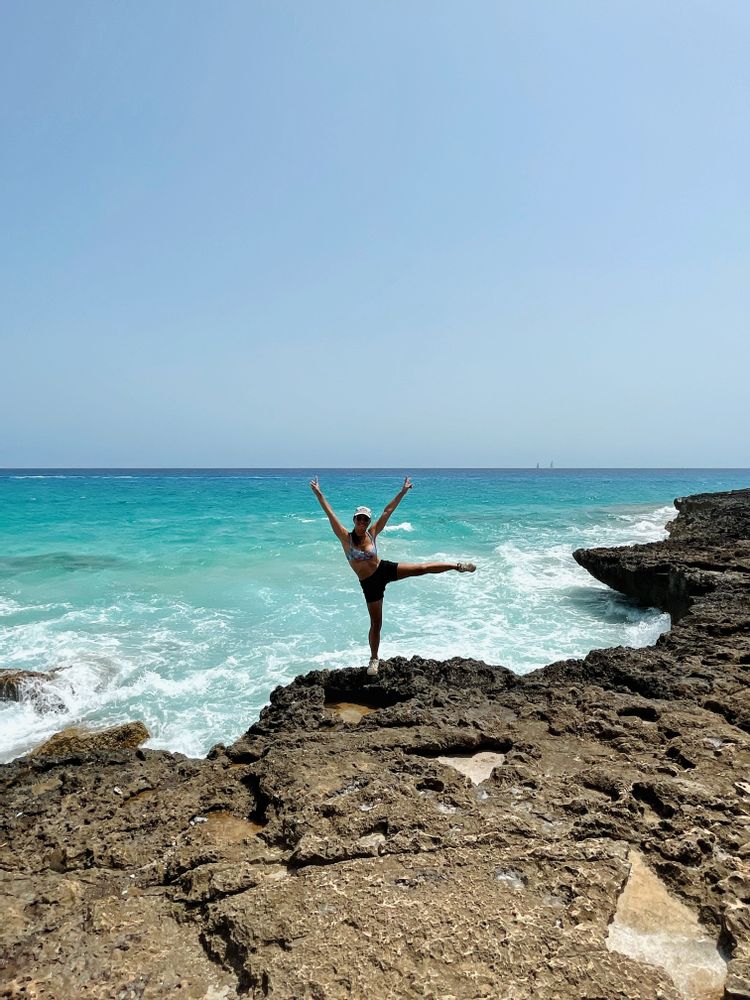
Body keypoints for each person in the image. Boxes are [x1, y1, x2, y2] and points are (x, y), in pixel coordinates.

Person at [309, 475, 476, 676]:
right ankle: (373, 660)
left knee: (421, 568)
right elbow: (330, 513)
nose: (362, 521)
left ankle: (457, 566)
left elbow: (388, 510)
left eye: (365, 518)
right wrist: (319, 494)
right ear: (354, 520)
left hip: (383, 569)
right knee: (376, 623)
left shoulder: (372, 532)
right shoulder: (345, 537)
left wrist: (403, 491)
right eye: (359, 518)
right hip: (369, 584)